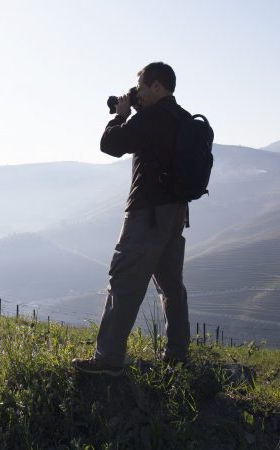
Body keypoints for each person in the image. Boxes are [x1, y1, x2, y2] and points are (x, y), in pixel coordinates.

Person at [73, 62, 191, 376]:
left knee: (124, 282)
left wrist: (121, 114)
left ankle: (108, 359)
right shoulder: (182, 119)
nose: (137, 92)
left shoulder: (152, 118)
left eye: (140, 86)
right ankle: (178, 356)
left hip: (147, 214)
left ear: (156, 86)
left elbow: (109, 145)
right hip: (176, 214)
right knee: (171, 287)